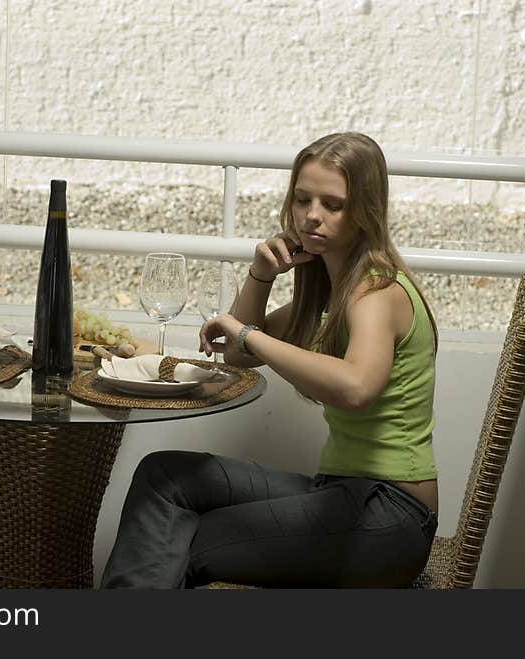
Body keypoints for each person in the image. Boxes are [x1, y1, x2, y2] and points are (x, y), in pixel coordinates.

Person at [101, 132, 439, 588]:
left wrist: (247, 333)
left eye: (332, 204)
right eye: (302, 199)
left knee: (176, 542)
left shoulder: (375, 292)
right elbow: (236, 356)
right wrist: (260, 276)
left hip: (389, 514)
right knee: (165, 476)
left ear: (365, 210)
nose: (311, 216)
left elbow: (357, 387)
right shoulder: (329, 289)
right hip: (342, 489)